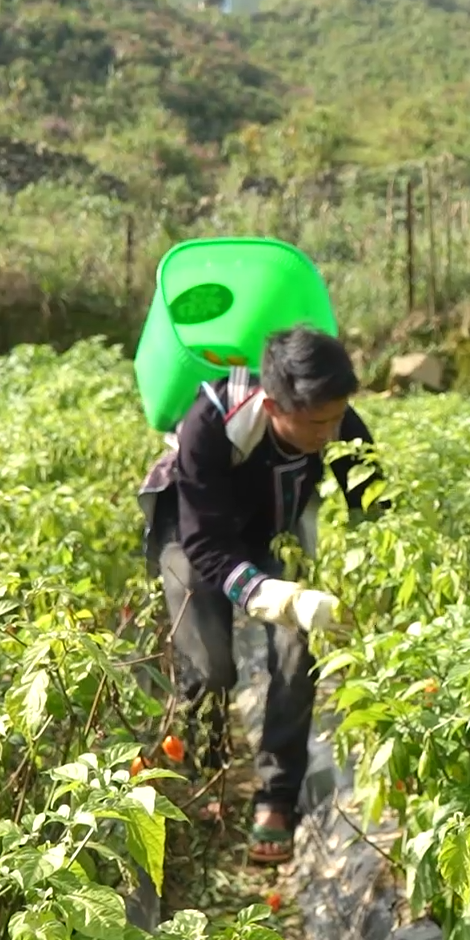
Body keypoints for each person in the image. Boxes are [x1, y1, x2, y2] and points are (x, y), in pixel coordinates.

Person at [136, 324, 386, 864]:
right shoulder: (208, 423)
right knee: (211, 663)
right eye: (316, 422)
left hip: (276, 530)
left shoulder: (338, 421)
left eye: (336, 416)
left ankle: (276, 795)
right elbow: (205, 541)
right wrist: (273, 595)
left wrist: (367, 573)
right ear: (272, 404)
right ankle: (206, 774)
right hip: (194, 533)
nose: (331, 431)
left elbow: (372, 504)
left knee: (299, 655)